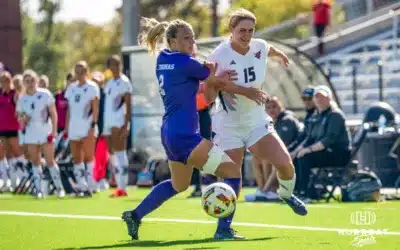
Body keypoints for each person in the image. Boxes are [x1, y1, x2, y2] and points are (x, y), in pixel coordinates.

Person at [121, 17, 243, 241]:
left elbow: (203, 82)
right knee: (233, 172)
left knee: (180, 184)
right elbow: (212, 83)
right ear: (172, 41)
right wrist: (216, 72)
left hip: (169, 133)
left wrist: (209, 73)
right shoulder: (186, 62)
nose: (191, 42)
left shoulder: (162, 58)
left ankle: (135, 215)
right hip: (186, 135)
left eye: (193, 38)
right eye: (187, 38)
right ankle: (223, 229)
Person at [206, 8, 307, 236]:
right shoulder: (218, 55)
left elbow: (267, 48)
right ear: (231, 30)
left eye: (250, 30)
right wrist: (225, 85)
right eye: (241, 30)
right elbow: (208, 90)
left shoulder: (259, 45)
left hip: (256, 122)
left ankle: (285, 194)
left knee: (285, 164)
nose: (246, 35)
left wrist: (281, 55)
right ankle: (223, 229)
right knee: (233, 177)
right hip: (228, 125)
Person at [295, 85, 351, 197]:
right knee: (297, 157)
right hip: (325, 152)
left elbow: (328, 140)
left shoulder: (335, 115)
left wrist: (308, 150)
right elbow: (310, 138)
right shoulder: (318, 116)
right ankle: (297, 191)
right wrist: (296, 151)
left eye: (323, 97)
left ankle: (304, 193)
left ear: (329, 98)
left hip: (338, 154)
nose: (319, 100)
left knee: (305, 157)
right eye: (317, 97)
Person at [16, 70, 64, 198]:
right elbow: (20, 118)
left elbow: (53, 114)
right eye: (27, 81)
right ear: (24, 84)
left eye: (32, 81)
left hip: (45, 131)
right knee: (35, 161)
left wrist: (53, 131)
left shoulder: (45, 94)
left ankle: (59, 188)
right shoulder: (22, 99)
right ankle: (38, 190)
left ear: (36, 81)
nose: (30, 84)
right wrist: (23, 119)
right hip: (31, 133)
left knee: (50, 161)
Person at [245, 96, 302, 202]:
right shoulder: (270, 122)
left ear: (281, 107)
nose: (271, 110)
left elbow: (284, 144)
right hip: (284, 153)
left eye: (274, 107)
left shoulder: (287, 119)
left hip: (293, 153)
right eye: (268, 108)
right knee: (256, 157)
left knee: (268, 158)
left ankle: (270, 190)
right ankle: (261, 189)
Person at [65, 61, 99, 197]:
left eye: (81, 72)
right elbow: (69, 109)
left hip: (87, 126)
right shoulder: (71, 87)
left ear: (87, 72)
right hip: (74, 126)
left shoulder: (92, 87)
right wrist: (67, 127)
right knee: (76, 157)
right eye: (76, 72)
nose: (79, 75)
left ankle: (91, 184)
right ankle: (81, 185)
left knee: (89, 157)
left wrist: (93, 125)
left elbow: (95, 108)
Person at [103, 55, 132, 198]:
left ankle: (123, 187)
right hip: (108, 122)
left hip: (119, 121)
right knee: (112, 153)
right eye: (111, 65)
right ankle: (117, 184)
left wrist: (127, 124)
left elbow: (128, 104)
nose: (114, 67)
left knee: (121, 153)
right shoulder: (108, 84)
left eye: (116, 64)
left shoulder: (125, 82)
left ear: (120, 66)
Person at [0, 71, 26, 192]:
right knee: (7, 154)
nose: (4, 83)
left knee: (17, 153)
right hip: (3, 128)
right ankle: (12, 181)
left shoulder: (14, 94)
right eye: (2, 81)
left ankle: (23, 180)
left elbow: (19, 109)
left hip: (14, 128)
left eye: (6, 80)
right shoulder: (1, 94)